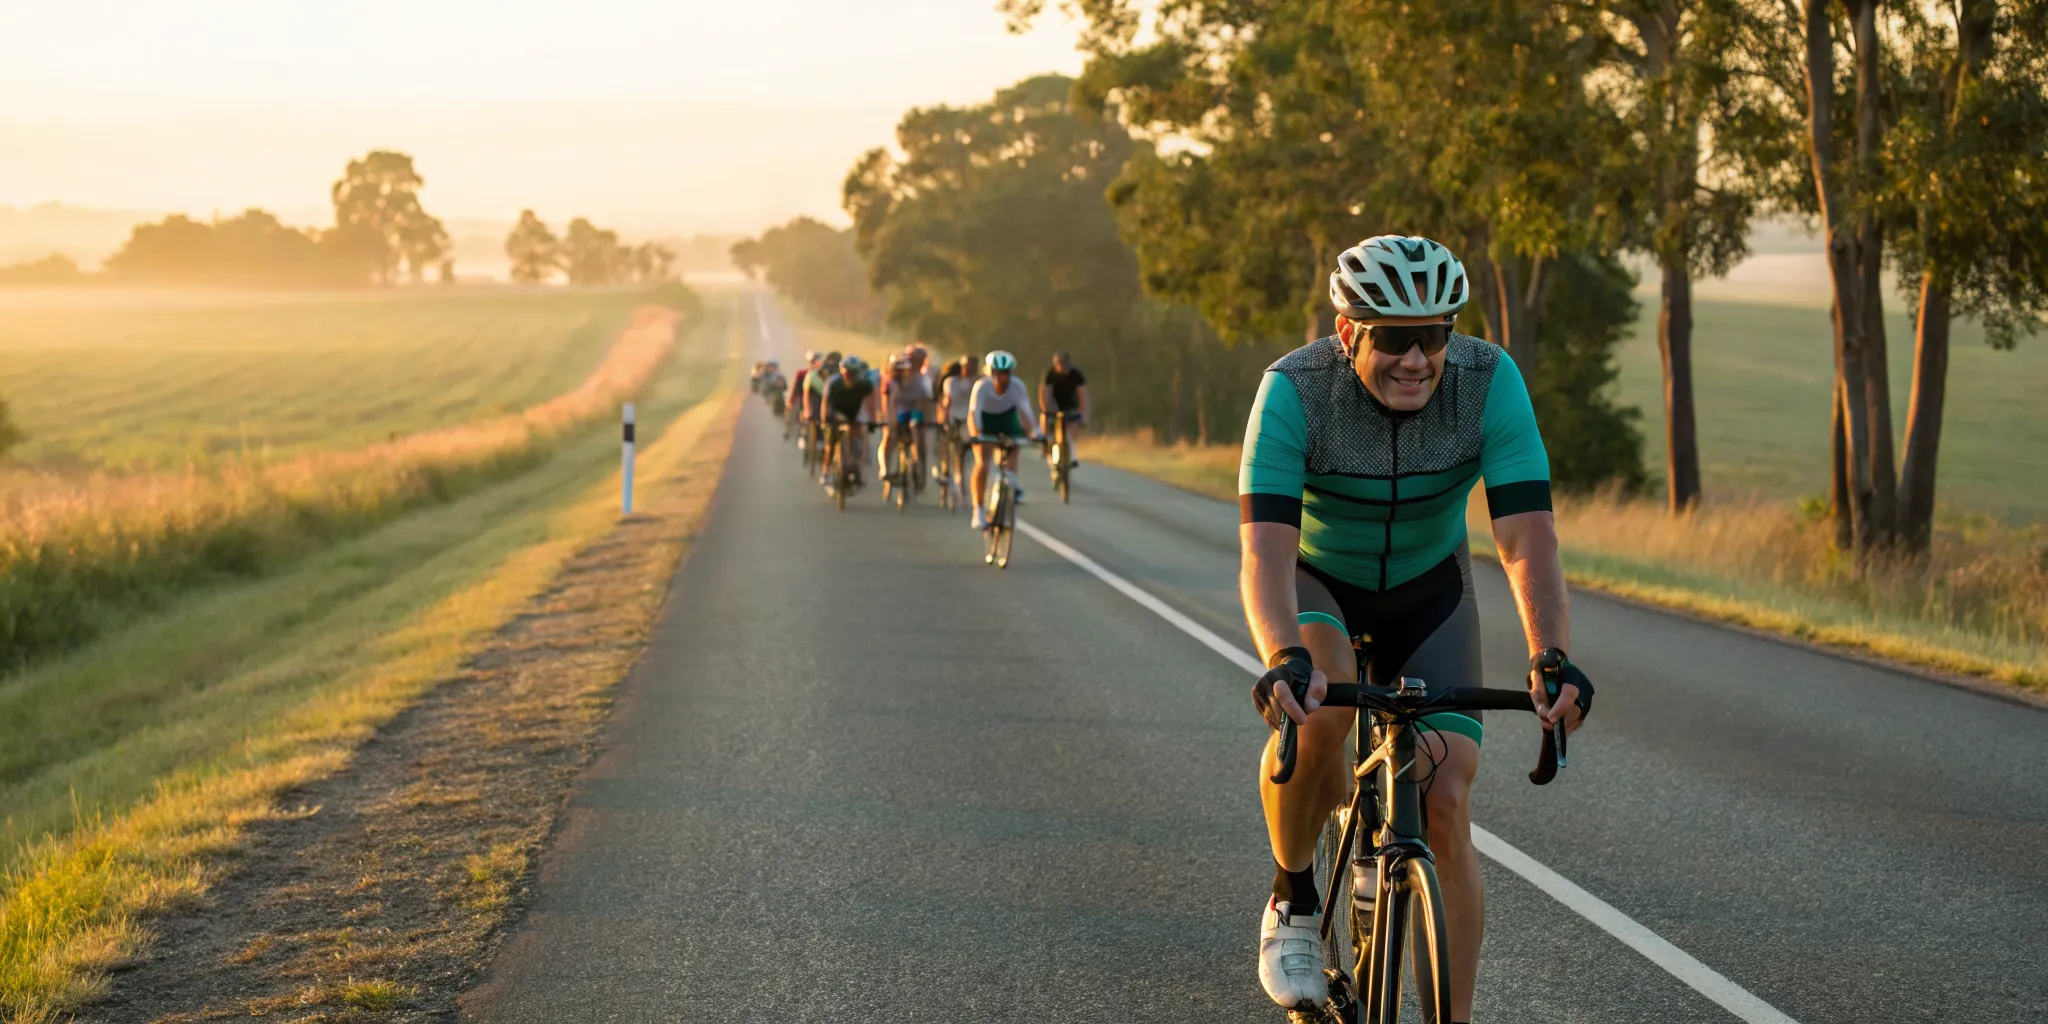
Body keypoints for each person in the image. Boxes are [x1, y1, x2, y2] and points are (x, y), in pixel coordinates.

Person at [1238, 235, 1591, 1021]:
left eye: (1433, 335)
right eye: (1394, 337)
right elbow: (1264, 553)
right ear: (1347, 333)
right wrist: (1282, 656)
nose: (1417, 359)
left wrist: (1551, 654)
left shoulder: (1487, 380)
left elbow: (1527, 535)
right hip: (1319, 580)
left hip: (1430, 591)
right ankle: (1293, 897)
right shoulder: (1294, 390)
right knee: (1324, 709)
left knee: (1448, 794)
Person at [966, 350, 1040, 531]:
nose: (1001, 378)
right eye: (997, 373)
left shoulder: (1017, 386)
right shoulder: (982, 386)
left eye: (1005, 373)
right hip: (986, 420)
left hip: (1007, 419)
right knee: (982, 463)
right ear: (991, 373)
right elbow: (974, 413)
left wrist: (1035, 432)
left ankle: (1011, 482)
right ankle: (979, 510)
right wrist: (977, 434)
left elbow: (1026, 412)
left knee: (1015, 445)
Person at [821, 355, 878, 492]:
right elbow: (826, 403)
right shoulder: (834, 383)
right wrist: (824, 420)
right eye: (847, 372)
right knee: (830, 444)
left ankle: (857, 463)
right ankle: (825, 473)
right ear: (842, 371)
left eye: (853, 373)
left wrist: (872, 420)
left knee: (859, 432)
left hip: (855, 412)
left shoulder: (864, 384)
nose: (850, 376)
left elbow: (870, 403)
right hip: (837, 412)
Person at [880, 355, 931, 488]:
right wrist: (890, 424)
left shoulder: (919, 381)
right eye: (897, 370)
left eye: (903, 370)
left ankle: (916, 460)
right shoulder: (890, 384)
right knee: (888, 437)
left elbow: (924, 402)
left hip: (913, 413)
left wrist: (928, 419)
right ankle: (884, 468)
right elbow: (888, 405)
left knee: (915, 426)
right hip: (896, 414)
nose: (900, 374)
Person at [1038, 351, 1090, 469]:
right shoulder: (1050, 374)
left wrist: (1084, 415)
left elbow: (1083, 396)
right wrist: (1047, 410)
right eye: (1058, 363)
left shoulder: (1076, 375)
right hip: (1054, 406)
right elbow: (1044, 395)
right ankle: (1046, 447)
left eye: (1063, 364)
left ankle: (1072, 456)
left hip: (1071, 406)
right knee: (1046, 423)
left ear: (1068, 363)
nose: (1061, 367)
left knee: (1071, 433)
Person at [938, 354, 981, 496]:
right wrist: (944, 420)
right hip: (955, 419)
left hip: (971, 421)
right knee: (952, 449)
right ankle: (949, 476)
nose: (971, 369)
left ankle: (960, 481)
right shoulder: (952, 382)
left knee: (965, 454)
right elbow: (947, 402)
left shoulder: (980, 382)